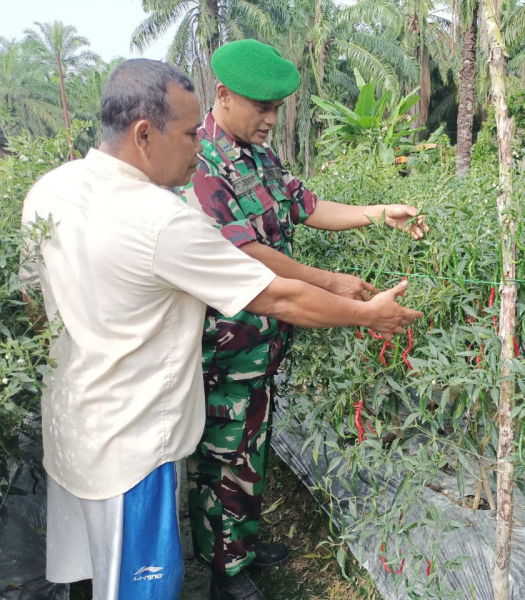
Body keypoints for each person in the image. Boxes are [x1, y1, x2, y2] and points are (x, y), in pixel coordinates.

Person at [20, 58, 422, 600]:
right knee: (139, 581)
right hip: (129, 447)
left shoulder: (52, 190)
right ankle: (226, 570)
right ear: (144, 134)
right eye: (188, 135)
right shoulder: (160, 218)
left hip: (75, 426)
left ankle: (237, 553)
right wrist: (368, 314)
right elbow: (276, 292)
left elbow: (31, 302)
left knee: (92, 573)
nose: (195, 147)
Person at [178, 39, 428, 600]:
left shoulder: (259, 156)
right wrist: (331, 282)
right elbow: (248, 254)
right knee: (224, 458)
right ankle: (226, 572)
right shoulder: (203, 164)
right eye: (261, 108)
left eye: (276, 109)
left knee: (250, 446)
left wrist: (378, 213)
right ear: (222, 94)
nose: (270, 119)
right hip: (227, 346)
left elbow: (305, 205)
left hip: (263, 343)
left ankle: (241, 542)